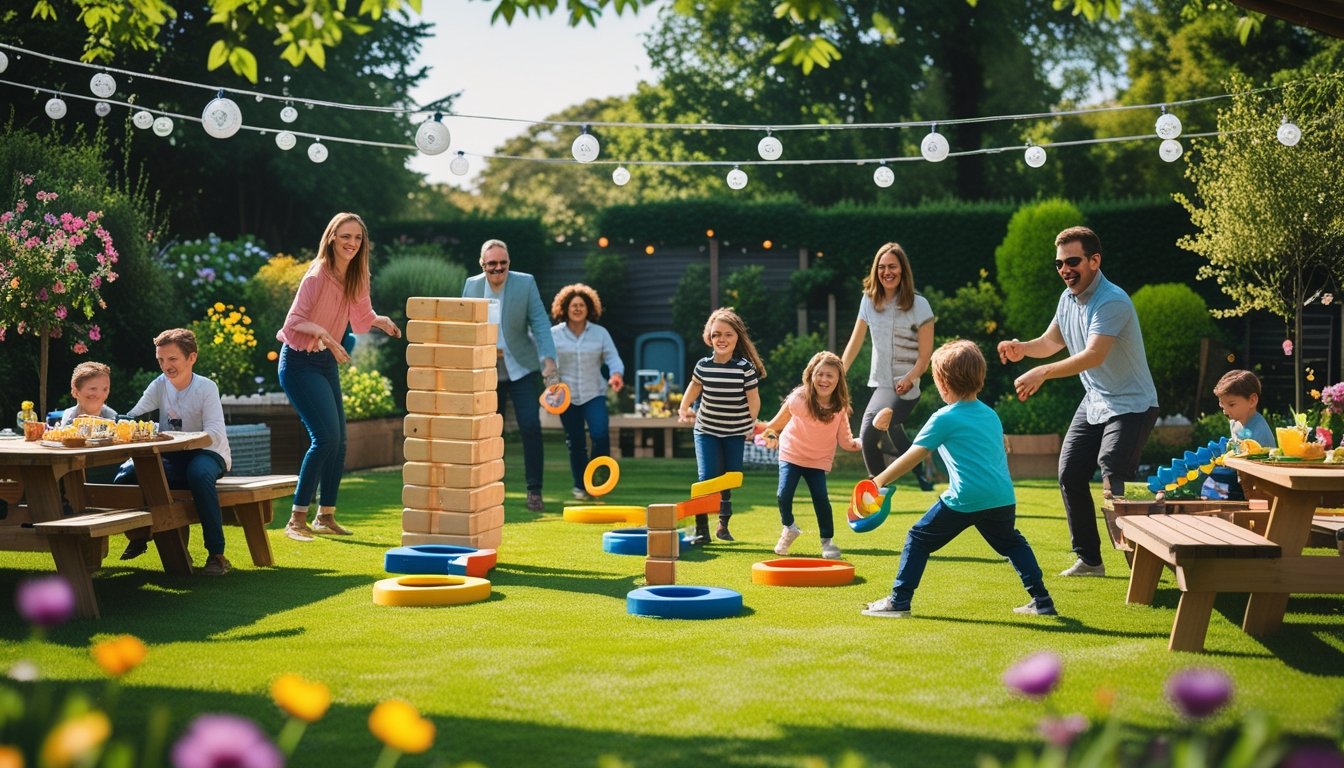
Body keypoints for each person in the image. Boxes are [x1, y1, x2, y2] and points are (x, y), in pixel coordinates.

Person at [996, 225, 1159, 578]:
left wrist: (1042, 373)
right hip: (1097, 399)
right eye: (1059, 264)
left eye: (1073, 261)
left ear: (1094, 261)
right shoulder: (1067, 299)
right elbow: (1050, 342)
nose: (1065, 270)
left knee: (1112, 467)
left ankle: (1140, 562)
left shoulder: (1112, 300)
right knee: (1070, 473)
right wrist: (1023, 349)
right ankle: (1090, 560)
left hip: (1132, 403)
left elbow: (1093, 355)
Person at [862, 340, 1056, 618]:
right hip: (1001, 497)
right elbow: (1000, 448)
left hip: (965, 497)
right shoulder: (991, 414)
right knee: (1012, 543)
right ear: (979, 378)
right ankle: (1042, 600)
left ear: (942, 384)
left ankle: (899, 600)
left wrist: (877, 481)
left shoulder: (943, 417)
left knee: (918, 538)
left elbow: (913, 455)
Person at [277, 212, 402, 541]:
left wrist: (381, 320)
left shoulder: (357, 275)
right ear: (332, 237)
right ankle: (296, 519)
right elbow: (293, 322)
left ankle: (325, 516)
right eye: (346, 236)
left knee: (340, 441)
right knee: (325, 439)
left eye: (358, 238)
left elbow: (361, 316)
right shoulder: (317, 275)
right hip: (299, 363)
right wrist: (325, 335)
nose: (352, 243)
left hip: (324, 363)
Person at [115, 329, 234, 575]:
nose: (165, 366)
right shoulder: (159, 385)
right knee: (125, 477)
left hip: (208, 453)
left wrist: (175, 438)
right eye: (160, 360)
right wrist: (116, 420)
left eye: (172, 359)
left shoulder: (206, 387)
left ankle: (216, 555)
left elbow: (214, 432)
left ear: (192, 358)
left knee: (199, 475)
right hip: (172, 455)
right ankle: (140, 534)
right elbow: (134, 414)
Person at [762, 351, 889, 560]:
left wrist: (866, 442)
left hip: (818, 460)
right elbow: (774, 425)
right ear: (811, 375)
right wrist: (770, 435)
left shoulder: (839, 408)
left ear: (838, 379)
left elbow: (847, 441)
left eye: (830, 375)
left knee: (821, 499)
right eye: (820, 374)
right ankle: (789, 528)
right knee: (783, 494)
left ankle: (827, 542)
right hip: (791, 453)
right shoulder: (798, 399)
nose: (824, 379)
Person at [463, 239, 557, 513]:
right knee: (488, 433)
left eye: (503, 263)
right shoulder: (471, 286)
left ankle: (534, 490)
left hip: (521, 367)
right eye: (492, 263)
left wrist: (548, 361)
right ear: (482, 264)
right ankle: (486, 491)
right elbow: (465, 326)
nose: (498, 268)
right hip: (486, 370)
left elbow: (540, 322)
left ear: (509, 263)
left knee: (530, 426)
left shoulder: (525, 283)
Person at [840, 242, 936, 492]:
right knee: (888, 437)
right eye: (881, 267)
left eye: (892, 266)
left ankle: (878, 487)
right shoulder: (869, 301)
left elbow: (925, 357)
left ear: (902, 270)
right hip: (881, 385)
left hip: (906, 386)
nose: (887, 272)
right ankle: (911, 478)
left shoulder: (919, 305)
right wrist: (839, 372)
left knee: (873, 427)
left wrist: (911, 377)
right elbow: (855, 341)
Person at [677, 307, 765, 545]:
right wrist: (684, 408)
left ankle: (723, 525)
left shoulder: (744, 368)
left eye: (728, 334)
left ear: (737, 337)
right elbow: (694, 389)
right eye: (716, 335)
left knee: (728, 478)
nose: (722, 339)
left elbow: (753, 399)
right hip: (706, 430)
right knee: (706, 478)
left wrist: (750, 424)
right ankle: (701, 530)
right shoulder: (703, 366)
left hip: (735, 432)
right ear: (709, 337)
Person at [549, 283, 625, 501]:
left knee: (600, 435)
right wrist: (552, 386)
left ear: (589, 308)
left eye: (582, 305)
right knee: (576, 442)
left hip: (594, 393)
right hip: (567, 397)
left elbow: (613, 358)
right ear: (565, 307)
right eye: (574, 305)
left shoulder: (600, 333)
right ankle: (580, 486)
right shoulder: (554, 334)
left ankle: (598, 483)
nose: (577, 309)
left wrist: (616, 374)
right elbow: (549, 363)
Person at [1205, 369, 1276, 500]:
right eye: (1222, 405)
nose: (1225, 411)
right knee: (1208, 479)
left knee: (1212, 483)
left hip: (1259, 483)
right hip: (1240, 477)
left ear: (1252, 400)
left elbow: (1256, 466)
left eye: (1231, 404)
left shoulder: (1259, 430)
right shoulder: (1234, 423)